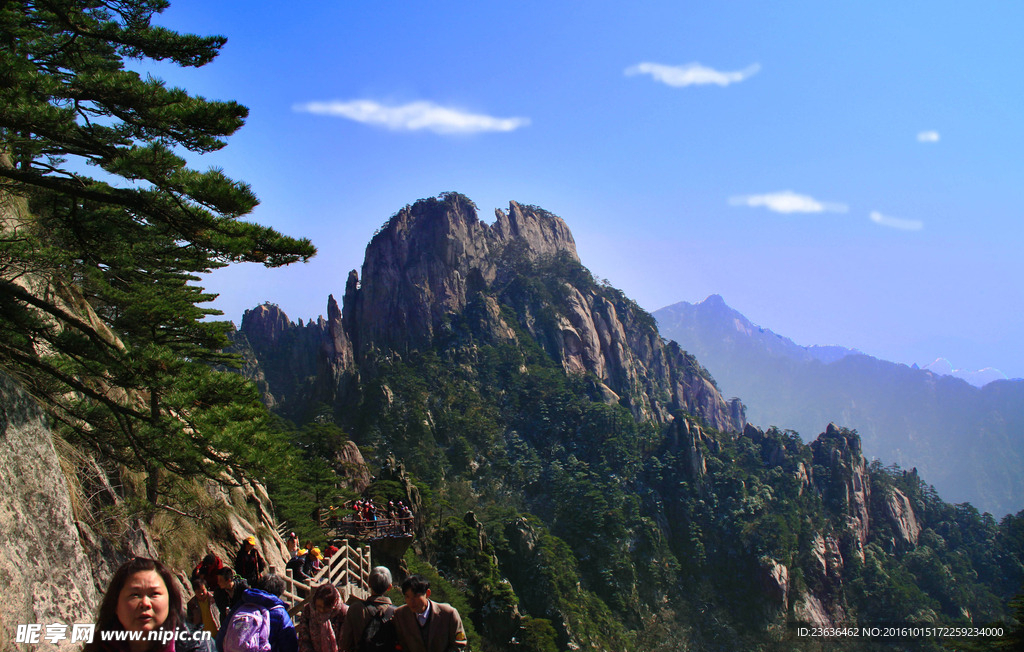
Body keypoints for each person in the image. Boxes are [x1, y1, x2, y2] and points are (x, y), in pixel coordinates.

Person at [84, 556, 213, 652]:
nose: (145, 603)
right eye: (135, 595)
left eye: (154, 594)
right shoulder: (97, 646)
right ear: (115, 604)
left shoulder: (197, 646)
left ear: (170, 601)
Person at [217, 574, 297, 652]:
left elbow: (222, 635)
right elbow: (290, 644)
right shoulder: (280, 613)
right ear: (278, 593)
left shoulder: (242, 604)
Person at [393, 576, 467, 652]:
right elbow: (401, 644)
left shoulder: (448, 614)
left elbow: (459, 643)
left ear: (427, 593)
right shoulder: (400, 615)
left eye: (415, 596)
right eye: (407, 597)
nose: (411, 602)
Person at [338, 566, 396, 652]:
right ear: (389, 587)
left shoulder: (355, 609)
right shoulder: (396, 612)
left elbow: (345, 643)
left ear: (369, 583)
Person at [296, 584, 348, 652]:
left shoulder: (343, 613)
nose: (321, 610)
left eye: (326, 607)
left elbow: (346, 642)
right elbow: (304, 638)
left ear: (333, 603)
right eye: (319, 606)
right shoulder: (309, 611)